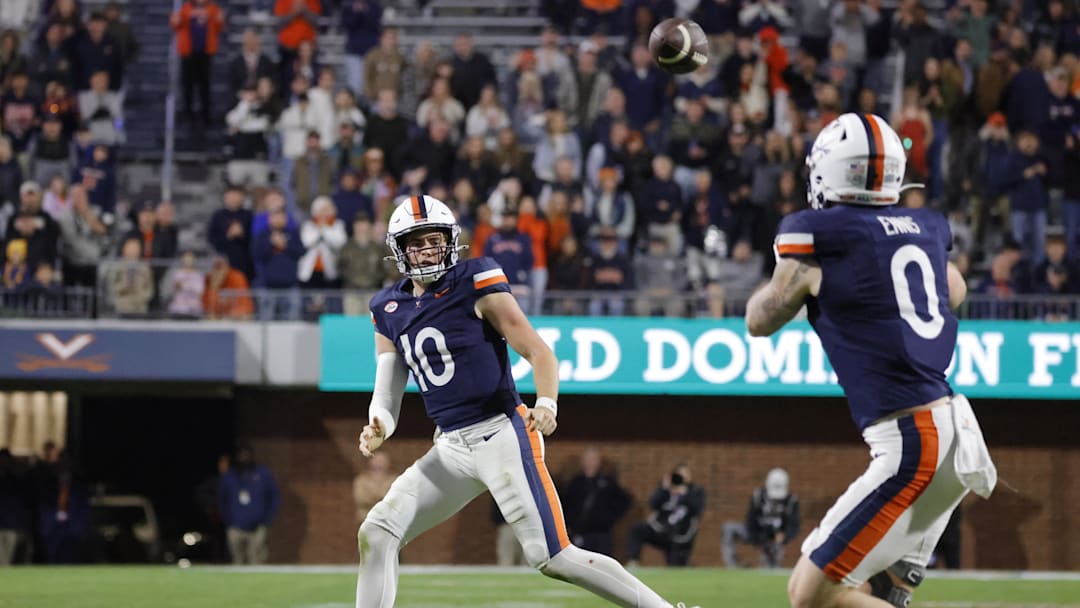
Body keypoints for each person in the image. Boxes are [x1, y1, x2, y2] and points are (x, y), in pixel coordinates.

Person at [355, 194, 696, 608]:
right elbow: (388, 385)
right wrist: (380, 424)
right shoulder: (387, 308)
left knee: (552, 556)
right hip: (450, 447)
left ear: (450, 241)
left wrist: (547, 404)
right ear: (399, 249)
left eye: (434, 240)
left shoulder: (474, 281)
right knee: (378, 530)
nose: (427, 250)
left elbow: (539, 352)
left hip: (500, 433)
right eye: (417, 242)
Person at [745, 113, 997, 608]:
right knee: (873, 593)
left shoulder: (816, 237)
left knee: (810, 595)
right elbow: (956, 290)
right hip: (955, 433)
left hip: (911, 442)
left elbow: (759, 320)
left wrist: (802, 283)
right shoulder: (923, 227)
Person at [625, 464, 706, 567]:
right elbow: (653, 504)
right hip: (661, 530)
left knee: (676, 565)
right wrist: (664, 489)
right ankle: (633, 561)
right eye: (679, 475)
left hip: (681, 535)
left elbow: (697, 509)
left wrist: (684, 493)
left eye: (685, 475)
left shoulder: (696, 491)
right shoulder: (666, 489)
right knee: (637, 529)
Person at [722, 468, 801, 568]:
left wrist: (784, 536)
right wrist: (759, 539)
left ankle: (770, 565)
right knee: (729, 528)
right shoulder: (758, 497)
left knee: (770, 565)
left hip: (774, 541)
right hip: (756, 533)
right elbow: (750, 522)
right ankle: (732, 566)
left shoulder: (791, 501)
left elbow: (794, 526)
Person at [561, 447, 630, 558]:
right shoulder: (575, 483)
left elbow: (624, 501)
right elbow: (566, 504)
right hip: (580, 533)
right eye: (587, 459)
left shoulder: (607, 482)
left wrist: (609, 517)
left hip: (602, 534)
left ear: (599, 461)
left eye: (593, 459)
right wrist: (571, 522)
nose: (590, 462)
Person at [217, 444, 280, 565]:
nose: (243, 457)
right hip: (235, 527)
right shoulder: (229, 476)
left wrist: (266, 519)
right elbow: (221, 499)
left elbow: (274, 497)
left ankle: (257, 584)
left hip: (257, 526)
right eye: (240, 454)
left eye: (246, 454)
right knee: (237, 560)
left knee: (255, 559)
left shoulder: (262, 474)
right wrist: (227, 519)